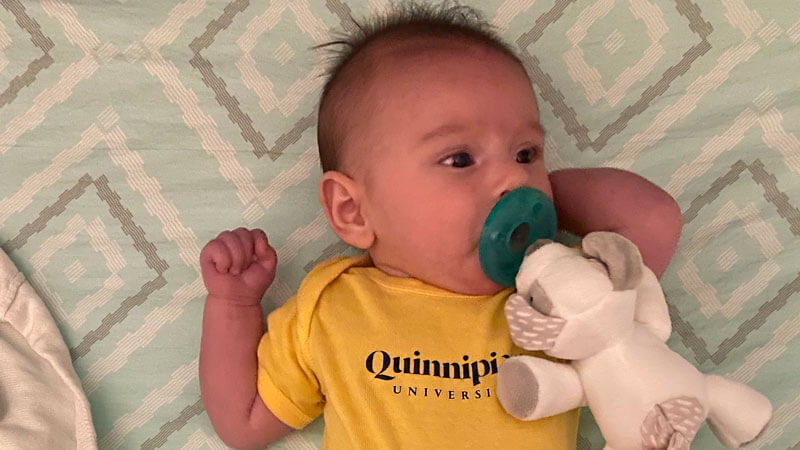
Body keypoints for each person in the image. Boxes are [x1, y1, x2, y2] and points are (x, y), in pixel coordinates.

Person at [199, 3, 682, 449]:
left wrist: (538, 198)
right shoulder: (330, 307)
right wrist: (233, 305)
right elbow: (243, 423)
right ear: (353, 211)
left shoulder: (559, 297)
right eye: (460, 160)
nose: (514, 178)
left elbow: (652, 221)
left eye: (526, 153)